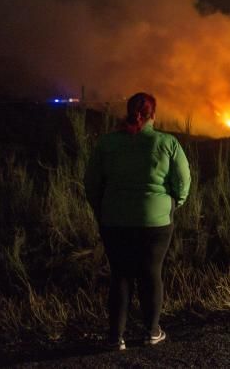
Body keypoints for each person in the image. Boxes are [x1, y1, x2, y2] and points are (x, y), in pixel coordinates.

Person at [84, 92, 191, 350]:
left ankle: (115, 337)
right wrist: (175, 202)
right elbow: (183, 182)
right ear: (153, 114)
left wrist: (102, 209)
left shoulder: (107, 144)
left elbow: (91, 183)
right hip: (155, 222)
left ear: (128, 112)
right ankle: (152, 332)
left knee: (120, 275)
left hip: (115, 221)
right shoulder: (167, 143)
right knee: (151, 273)